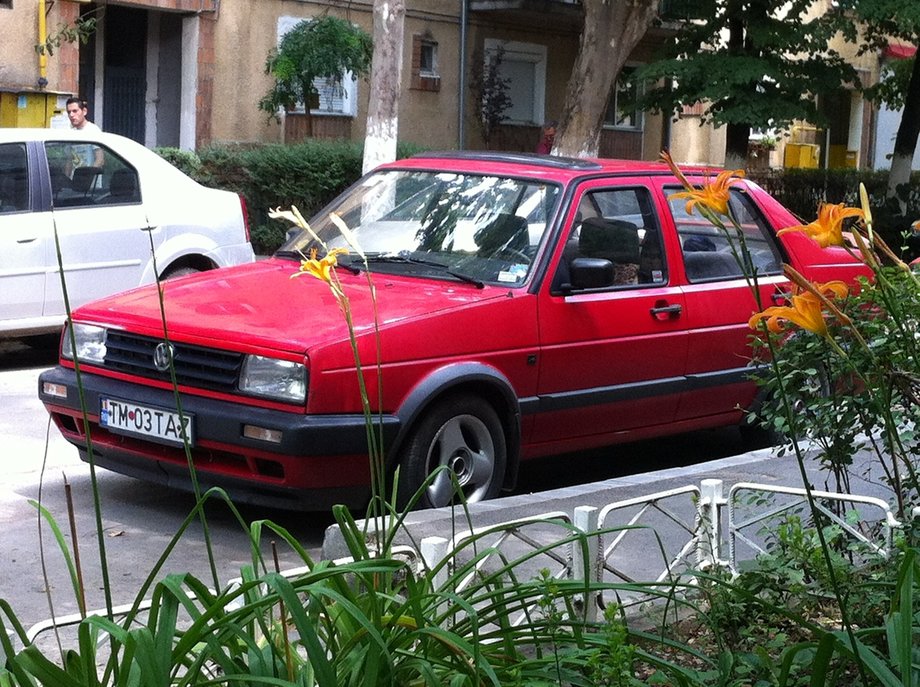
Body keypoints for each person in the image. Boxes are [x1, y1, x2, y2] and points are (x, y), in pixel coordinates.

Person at [64, 97, 104, 171]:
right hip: (75, 179)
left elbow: (100, 159)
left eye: (75, 111)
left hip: (89, 179)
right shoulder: (70, 133)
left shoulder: (93, 131)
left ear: (84, 111)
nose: (71, 115)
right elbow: (69, 161)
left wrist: (89, 176)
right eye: (69, 112)